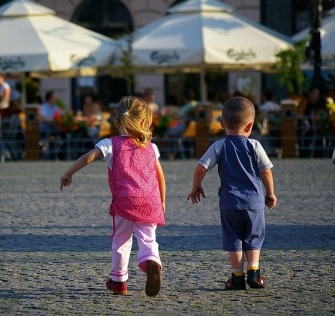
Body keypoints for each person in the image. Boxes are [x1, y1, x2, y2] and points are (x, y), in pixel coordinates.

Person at [60, 96, 166, 297]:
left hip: (125, 201)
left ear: (117, 122)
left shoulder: (110, 144)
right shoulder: (151, 147)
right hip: (150, 201)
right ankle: (152, 260)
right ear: (145, 122)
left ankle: (118, 281)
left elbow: (87, 157)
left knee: (121, 239)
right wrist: (162, 200)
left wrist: (68, 173)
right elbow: (159, 175)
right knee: (148, 238)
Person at [187, 96, 277, 291]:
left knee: (233, 238)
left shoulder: (219, 146)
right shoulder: (254, 146)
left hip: (229, 203)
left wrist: (196, 186)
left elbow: (200, 168)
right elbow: (266, 171)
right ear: (250, 125)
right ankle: (254, 272)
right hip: (254, 202)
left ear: (221, 123)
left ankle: (237, 276)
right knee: (254, 236)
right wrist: (270, 193)